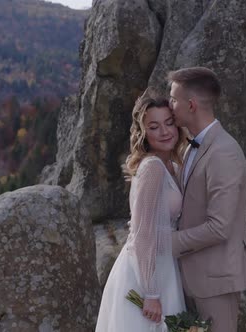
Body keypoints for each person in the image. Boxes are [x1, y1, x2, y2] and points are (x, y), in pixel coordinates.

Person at [168, 67, 246, 331]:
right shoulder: (191, 146)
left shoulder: (224, 152)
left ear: (192, 104)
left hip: (215, 281)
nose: (169, 105)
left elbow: (219, 227)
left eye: (173, 99)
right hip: (190, 275)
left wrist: (166, 243)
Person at [95, 95, 187, 331]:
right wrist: (151, 292)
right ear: (143, 132)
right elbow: (143, 232)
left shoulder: (171, 165)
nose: (165, 131)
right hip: (147, 272)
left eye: (169, 123)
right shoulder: (152, 168)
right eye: (154, 127)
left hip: (165, 264)